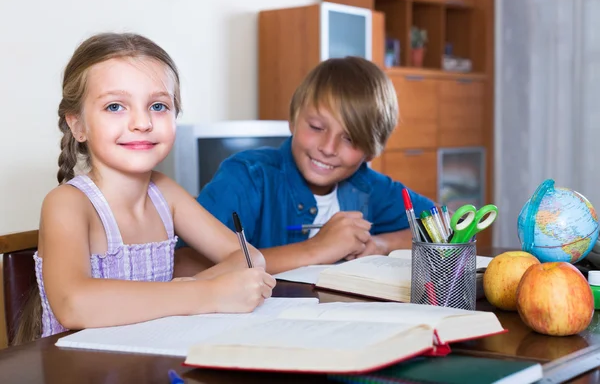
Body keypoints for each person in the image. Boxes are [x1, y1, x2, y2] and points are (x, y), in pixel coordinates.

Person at [17, 32, 275, 344]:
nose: (142, 122)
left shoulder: (164, 193)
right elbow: (75, 303)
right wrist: (205, 293)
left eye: (158, 105)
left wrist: (192, 292)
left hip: (152, 357)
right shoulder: (67, 204)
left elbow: (249, 257)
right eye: (115, 106)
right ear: (78, 125)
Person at [197, 56, 435, 274]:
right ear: (293, 119)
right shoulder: (246, 177)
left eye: (350, 138)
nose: (328, 148)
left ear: (371, 150)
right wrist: (317, 249)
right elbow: (185, 264)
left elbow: (450, 228)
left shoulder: (369, 186)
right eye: (316, 127)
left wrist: (382, 244)